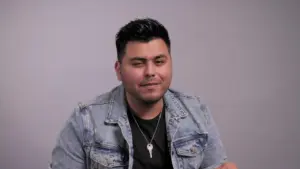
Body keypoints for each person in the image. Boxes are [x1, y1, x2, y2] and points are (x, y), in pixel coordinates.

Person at [50, 18, 238, 169]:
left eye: (159, 61)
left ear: (170, 63)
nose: (150, 72)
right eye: (138, 63)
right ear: (119, 70)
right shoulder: (85, 119)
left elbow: (218, 165)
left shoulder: (197, 111)